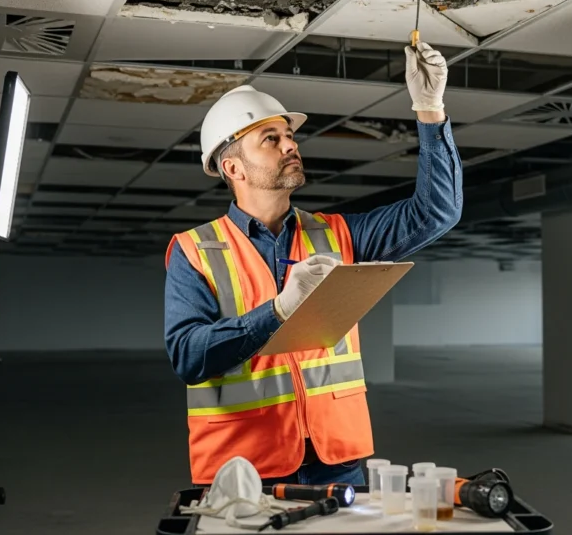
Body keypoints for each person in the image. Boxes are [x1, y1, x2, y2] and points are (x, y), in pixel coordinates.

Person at [163, 41, 463, 486]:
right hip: (246, 468)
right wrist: (278, 311)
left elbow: (436, 212)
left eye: (290, 136)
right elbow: (188, 355)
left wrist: (429, 109)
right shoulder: (195, 250)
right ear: (234, 168)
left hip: (337, 459)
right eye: (272, 139)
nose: (290, 145)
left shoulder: (338, 234)